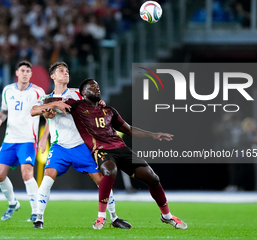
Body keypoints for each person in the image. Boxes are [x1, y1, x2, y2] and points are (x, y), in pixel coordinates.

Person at [40, 78, 188, 230]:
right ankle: (101, 217)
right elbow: (47, 100)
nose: (97, 88)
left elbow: (129, 129)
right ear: (83, 92)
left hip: (120, 148)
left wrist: (153, 135)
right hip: (101, 150)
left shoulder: (109, 110)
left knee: (153, 178)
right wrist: (55, 103)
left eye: (97, 86)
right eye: (92, 86)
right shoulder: (77, 106)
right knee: (110, 171)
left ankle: (167, 216)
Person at [30, 62, 131, 229]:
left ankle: (114, 218)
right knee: (47, 177)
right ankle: (38, 219)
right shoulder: (45, 98)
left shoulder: (77, 93)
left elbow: (96, 102)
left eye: (67, 70)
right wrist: (53, 107)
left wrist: (100, 103)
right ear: (53, 76)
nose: (66, 73)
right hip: (59, 147)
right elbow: (34, 111)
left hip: (81, 146)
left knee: (102, 180)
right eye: (61, 71)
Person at [0, 60, 45, 221]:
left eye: (28, 71)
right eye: (22, 70)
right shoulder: (8, 90)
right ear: (17, 73)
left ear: (31, 74)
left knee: (27, 174)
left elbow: (48, 115)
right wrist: (0, 120)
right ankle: (13, 203)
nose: (25, 73)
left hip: (28, 140)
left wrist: (43, 139)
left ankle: (36, 212)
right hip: (10, 139)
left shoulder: (37, 92)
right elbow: (4, 111)